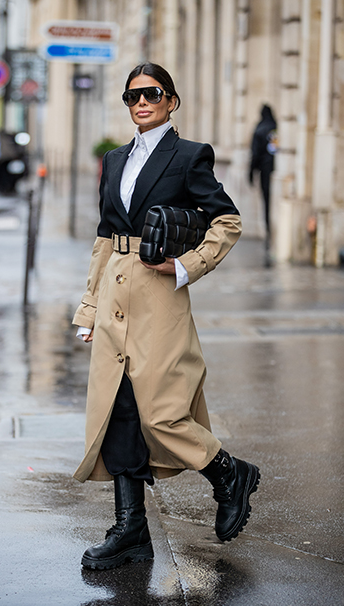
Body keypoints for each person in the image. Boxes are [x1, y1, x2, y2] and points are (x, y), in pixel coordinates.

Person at [73, 62, 260, 570]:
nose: (141, 102)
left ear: (171, 100)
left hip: (160, 296)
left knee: (162, 409)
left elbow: (226, 220)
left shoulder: (189, 155)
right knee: (120, 409)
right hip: (115, 292)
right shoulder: (113, 160)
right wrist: (88, 308)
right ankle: (130, 527)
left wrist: (185, 266)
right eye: (132, 96)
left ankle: (229, 474)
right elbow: (104, 238)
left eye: (152, 93)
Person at [249, 104, 278, 254]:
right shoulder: (276, 128)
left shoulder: (260, 129)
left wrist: (251, 172)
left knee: (266, 202)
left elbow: (254, 153)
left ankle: (268, 231)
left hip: (265, 172)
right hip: (276, 169)